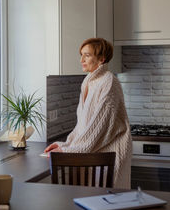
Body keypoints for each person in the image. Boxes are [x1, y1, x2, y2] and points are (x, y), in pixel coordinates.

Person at [44, 38, 132, 189]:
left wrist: (65, 151)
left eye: (87, 55)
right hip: (94, 152)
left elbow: (99, 127)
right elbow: (83, 126)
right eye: (81, 55)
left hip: (109, 153)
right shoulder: (88, 82)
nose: (81, 60)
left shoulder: (108, 82)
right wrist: (65, 144)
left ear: (101, 59)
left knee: (106, 201)